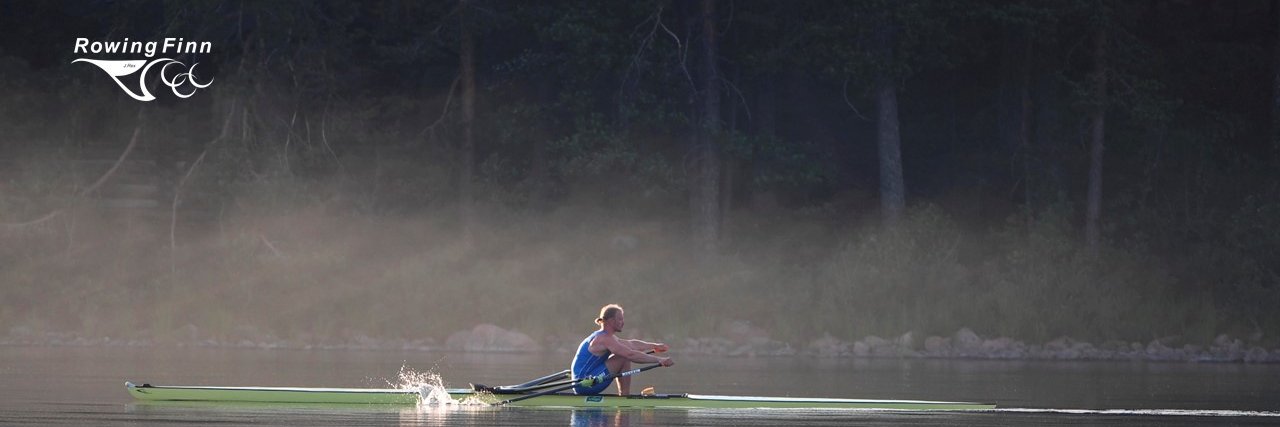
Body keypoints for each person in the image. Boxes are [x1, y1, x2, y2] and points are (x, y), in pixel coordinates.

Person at [571, 304, 674, 395]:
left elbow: (631, 344)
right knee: (624, 356)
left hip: (587, 380)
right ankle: (624, 397)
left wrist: (654, 346)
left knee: (624, 353)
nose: (623, 322)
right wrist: (659, 360)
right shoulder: (604, 339)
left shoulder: (607, 337)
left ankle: (624, 395)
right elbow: (630, 355)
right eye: (620, 319)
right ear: (611, 321)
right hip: (585, 384)